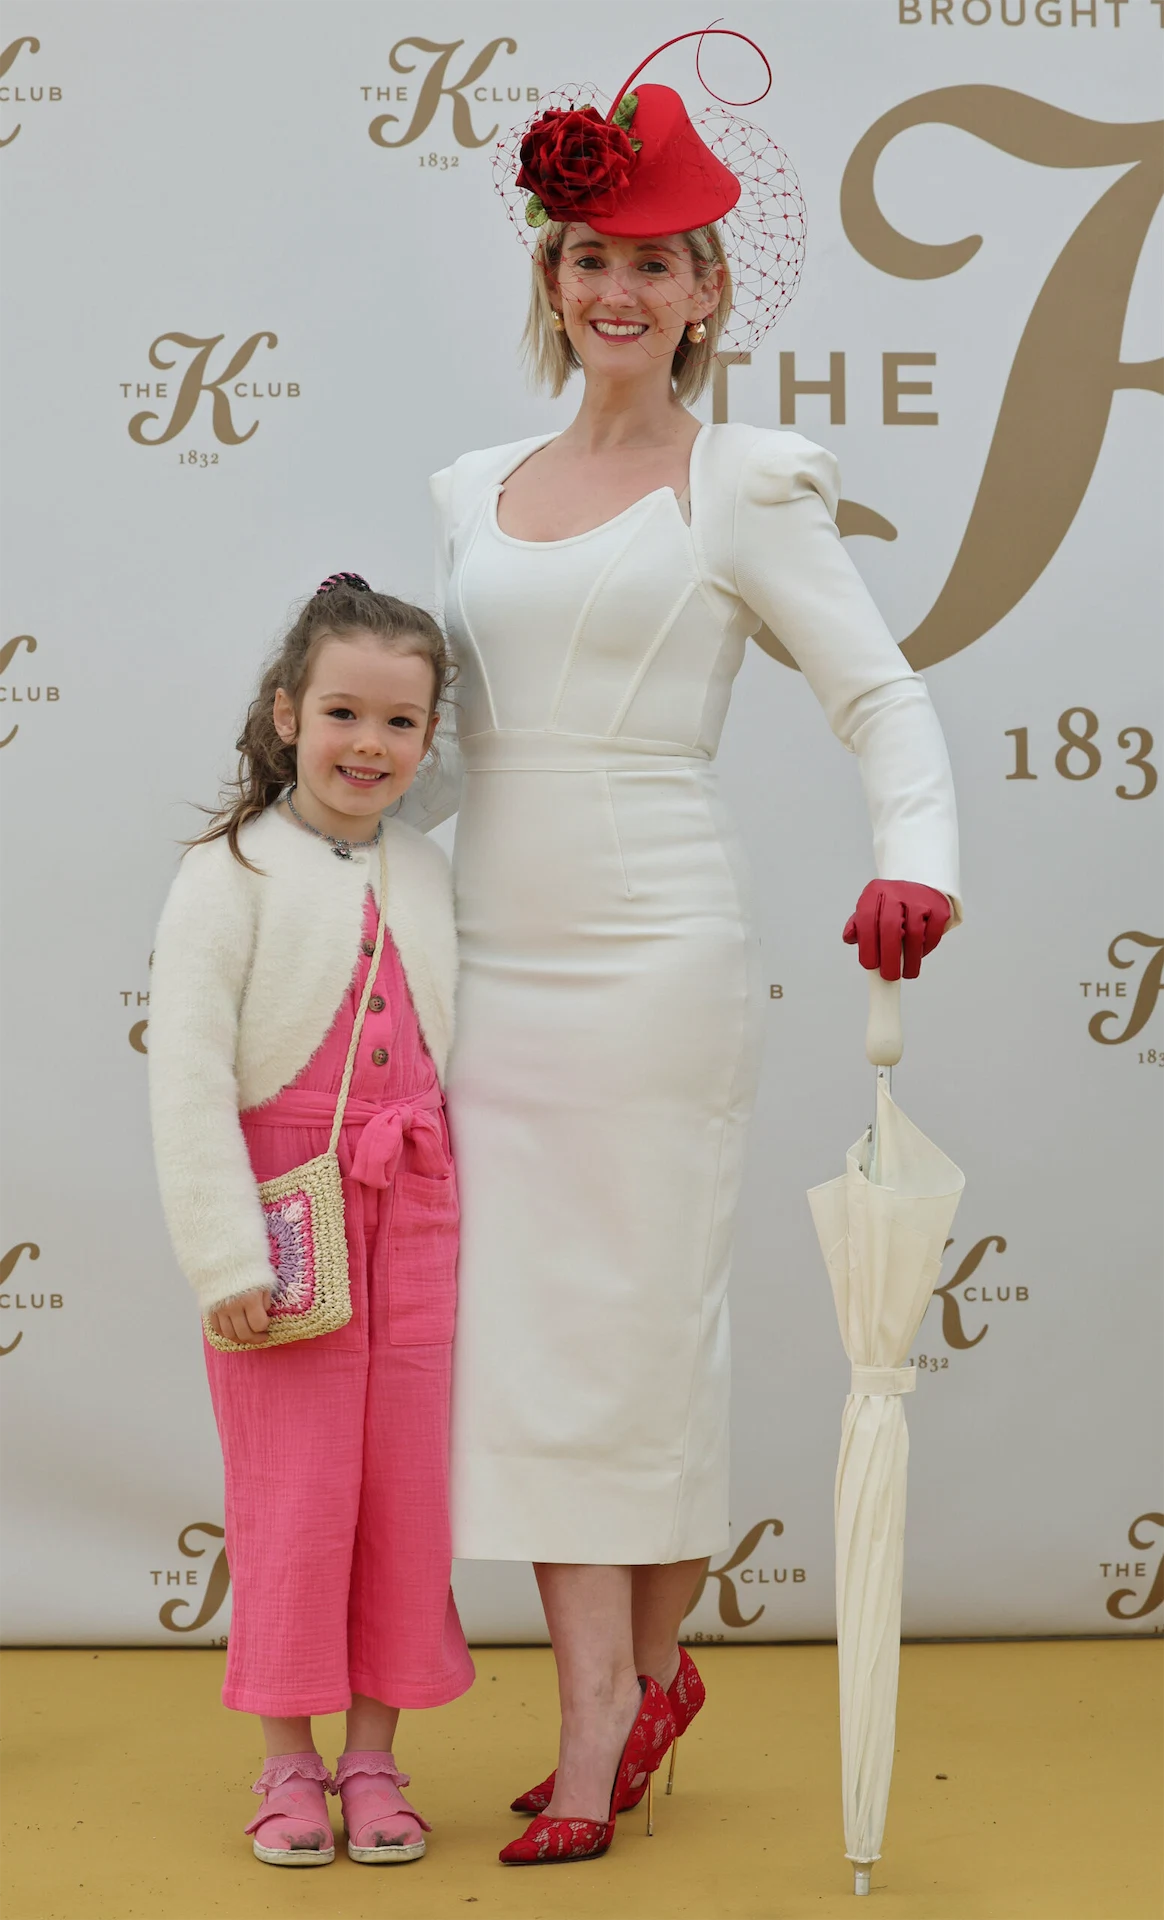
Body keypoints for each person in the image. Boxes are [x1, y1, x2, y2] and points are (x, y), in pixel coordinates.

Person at [416, 33, 961, 1869]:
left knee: (636, 1335)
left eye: (655, 262)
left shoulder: (748, 480)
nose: (620, 290)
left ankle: (596, 1729)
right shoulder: (470, 485)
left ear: (709, 289)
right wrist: (312, 844)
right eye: (592, 256)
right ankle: (648, 1680)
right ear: (551, 276)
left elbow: (881, 698)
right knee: (536, 1342)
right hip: (493, 958)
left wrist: (918, 865)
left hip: (657, 958)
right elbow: (441, 754)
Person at [147, 574, 474, 1869]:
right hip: (284, 1201)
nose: (368, 745)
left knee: (403, 1494)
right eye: (343, 713)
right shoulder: (228, 872)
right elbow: (185, 1075)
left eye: (401, 722)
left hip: (418, 1203)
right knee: (294, 1492)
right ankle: (289, 1763)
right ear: (287, 714)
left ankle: (376, 1757)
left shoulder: (427, 867)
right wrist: (224, 1253)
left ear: (430, 736)